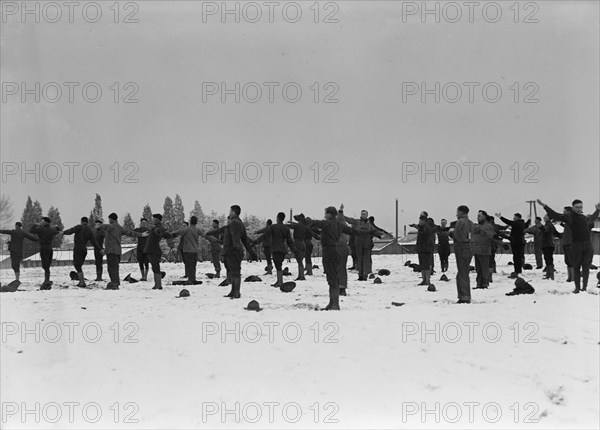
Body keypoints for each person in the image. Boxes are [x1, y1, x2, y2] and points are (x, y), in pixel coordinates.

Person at [538, 199, 600, 293]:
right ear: (573, 208)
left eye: (580, 207)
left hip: (587, 245)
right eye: (577, 207)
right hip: (576, 245)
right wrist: (545, 206)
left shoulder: (583, 217)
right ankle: (577, 288)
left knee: (586, 267)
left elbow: (592, 218)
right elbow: (555, 215)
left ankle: (584, 288)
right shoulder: (569, 217)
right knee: (576, 266)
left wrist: (598, 210)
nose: (579, 209)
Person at [306, 206, 355, 310]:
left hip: (330, 252)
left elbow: (315, 223)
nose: (324, 215)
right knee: (332, 279)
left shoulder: (328, 223)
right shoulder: (338, 225)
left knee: (332, 279)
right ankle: (332, 303)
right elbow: (352, 231)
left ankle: (335, 304)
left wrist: (304, 220)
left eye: (326, 213)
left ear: (329, 214)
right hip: (334, 251)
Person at [98, 213, 146, 290]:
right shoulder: (120, 228)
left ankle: (114, 283)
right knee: (115, 268)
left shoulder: (111, 226)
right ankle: (116, 282)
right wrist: (141, 235)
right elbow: (130, 232)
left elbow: (106, 226)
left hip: (111, 251)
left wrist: (99, 226)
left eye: (109, 219)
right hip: (118, 251)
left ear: (111, 219)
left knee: (111, 268)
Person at [222, 205, 256, 299]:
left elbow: (235, 236)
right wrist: (251, 252)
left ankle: (236, 292)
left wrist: (236, 248)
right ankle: (233, 291)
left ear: (233, 212)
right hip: (235, 250)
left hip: (233, 250)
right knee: (234, 272)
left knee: (235, 272)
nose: (229, 213)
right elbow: (245, 240)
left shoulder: (234, 223)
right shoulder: (240, 223)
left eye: (230, 211)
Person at [340, 206, 382, 281]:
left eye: (365, 214)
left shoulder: (369, 225)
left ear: (367, 215)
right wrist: (340, 212)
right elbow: (348, 219)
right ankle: (360, 276)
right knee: (359, 259)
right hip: (358, 243)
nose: (363, 215)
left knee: (366, 260)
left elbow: (376, 231)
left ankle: (365, 275)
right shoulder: (357, 222)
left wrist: (381, 234)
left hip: (367, 244)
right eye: (362, 214)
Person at [63, 217, 102, 288]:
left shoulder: (79, 227)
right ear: (87, 222)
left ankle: (82, 281)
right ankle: (81, 280)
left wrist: (63, 232)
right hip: (84, 248)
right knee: (79, 265)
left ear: (81, 221)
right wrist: (99, 249)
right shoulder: (89, 230)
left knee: (77, 265)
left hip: (78, 247)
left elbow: (71, 231)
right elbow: (94, 242)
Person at [263, 212, 295, 288]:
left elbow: (265, 235)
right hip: (283, 249)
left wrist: (255, 242)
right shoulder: (286, 228)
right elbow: (289, 241)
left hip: (275, 248)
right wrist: (294, 250)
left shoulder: (273, 227)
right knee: (279, 265)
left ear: (277, 218)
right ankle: (279, 281)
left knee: (278, 265)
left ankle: (280, 281)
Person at [449, 205, 473, 304]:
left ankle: (464, 296)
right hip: (469, 248)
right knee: (464, 272)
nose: (456, 214)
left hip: (461, 248)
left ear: (462, 212)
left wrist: (451, 232)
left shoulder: (460, 222)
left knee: (462, 273)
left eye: (457, 212)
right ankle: (464, 295)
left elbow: (457, 235)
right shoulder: (471, 223)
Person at [495, 212, 530, 278]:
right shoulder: (522, 224)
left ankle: (517, 271)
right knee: (519, 257)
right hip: (520, 242)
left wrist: (500, 217)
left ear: (518, 217)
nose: (513, 218)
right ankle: (518, 271)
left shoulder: (517, 223)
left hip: (516, 242)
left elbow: (508, 222)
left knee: (516, 257)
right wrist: (529, 219)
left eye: (514, 217)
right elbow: (527, 225)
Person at [30, 217, 61, 287]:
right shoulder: (51, 230)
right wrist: (56, 227)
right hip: (50, 247)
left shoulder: (41, 230)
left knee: (45, 264)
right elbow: (58, 231)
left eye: (43, 221)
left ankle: (46, 280)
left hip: (43, 247)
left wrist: (36, 224)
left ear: (46, 222)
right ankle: (46, 279)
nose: (42, 222)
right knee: (48, 264)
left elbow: (31, 231)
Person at [143, 214, 170, 290]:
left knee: (155, 267)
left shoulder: (158, 228)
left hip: (153, 250)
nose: (153, 220)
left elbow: (159, 231)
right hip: (152, 250)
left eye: (154, 219)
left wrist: (162, 230)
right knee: (155, 267)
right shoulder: (156, 228)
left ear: (157, 220)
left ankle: (158, 284)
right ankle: (157, 284)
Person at [174, 216, 203, 284]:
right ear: (196, 222)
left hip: (187, 250)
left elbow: (178, 232)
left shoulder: (186, 229)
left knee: (189, 264)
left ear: (190, 221)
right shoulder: (198, 230)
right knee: (193, 265)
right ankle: (193, 278)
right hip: (195, 250)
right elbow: (205, 235)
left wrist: (168, 234)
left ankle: (190, 279)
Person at [471, 211, 494, 289]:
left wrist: (481, 230)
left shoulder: (488, 226)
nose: (478, 217)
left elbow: (490, 236)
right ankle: (479, 283)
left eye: (480, 216)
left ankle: (485, 283)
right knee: (478, 269)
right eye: (477, 216)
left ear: (484, 216)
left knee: (484, 268)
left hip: (484, 251)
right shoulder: (476, 227)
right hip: (477, 250)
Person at [410, 216, 434, 286]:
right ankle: (424, 279)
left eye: (421, 221)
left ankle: (427, 280)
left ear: (424, 221)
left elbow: (423, 231)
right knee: (422, 265)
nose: (419, 222)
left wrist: (416, 226)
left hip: (426, 249)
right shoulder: (422, 227)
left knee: (426, 265)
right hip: (421, 249)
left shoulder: (427, 228)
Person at [288, 214, 309, 281]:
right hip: (303, 243)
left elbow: (291, 225)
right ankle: (301, 275)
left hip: (298, 243)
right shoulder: (304, 226)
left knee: (299, 260)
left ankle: (301, 275)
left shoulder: (297, 225)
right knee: (300, 260)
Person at [540, 214, 559, 280]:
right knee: (547, 259)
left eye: (545, 216)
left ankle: (551, 274)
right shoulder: (549, 225)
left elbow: (545, 231)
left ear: (548, 218)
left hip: (547, 244)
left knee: (548, 259)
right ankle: (548, 274)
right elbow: (556, 233)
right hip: (548, 244)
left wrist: (541, 227)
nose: (543, 217)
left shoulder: (548, 225)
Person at [337, 210, 351, 296]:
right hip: (335, 247)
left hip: (341, 247)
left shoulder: (341, 225)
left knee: (341, 268)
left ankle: (341, 287)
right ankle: (338, 286)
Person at [559, 207, 574, 282]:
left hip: (570, 242)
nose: (564, 212)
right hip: (566, 242)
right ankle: (570, 276)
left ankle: (573, 277)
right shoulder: (567, 222)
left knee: (571, 260)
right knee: (567, 260)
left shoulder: (571, 219)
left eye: (565, 211)